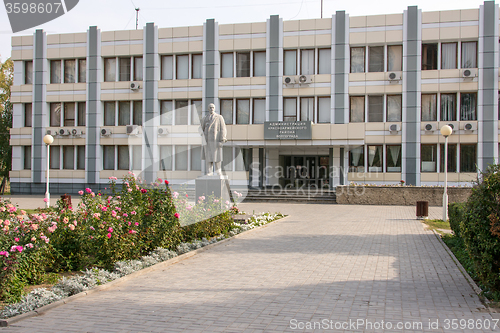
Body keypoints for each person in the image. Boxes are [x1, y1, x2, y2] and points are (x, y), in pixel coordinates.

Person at [201, 103, 227, 175]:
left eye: (212, 107)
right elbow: (200, 129)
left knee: (217, 157)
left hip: (216, 140)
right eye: (210, 107)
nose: (211, 109)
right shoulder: (205, 118)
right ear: (208, 109)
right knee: (208, 157)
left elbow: (223, 128)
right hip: (207, 141)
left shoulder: (219, 117)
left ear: (214, 108)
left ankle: (218, 171)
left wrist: (222, 139)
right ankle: (209, 171)